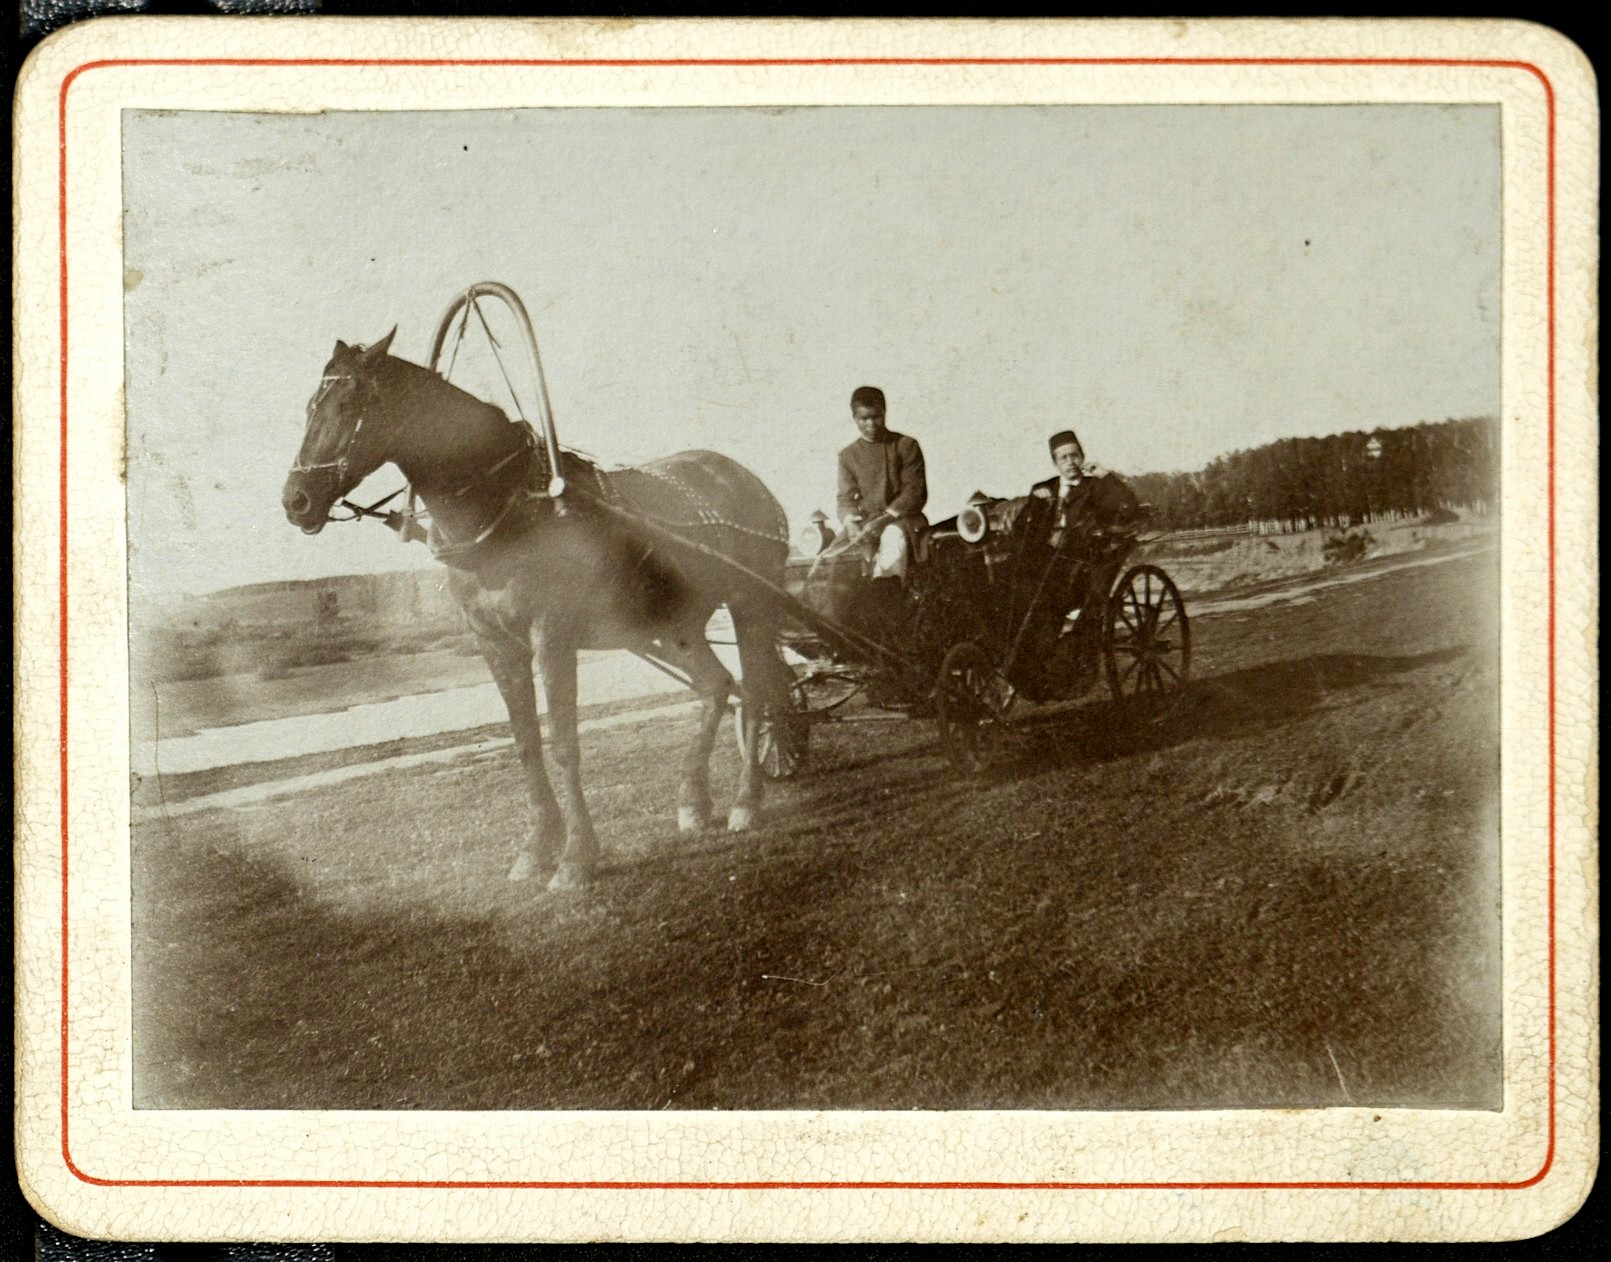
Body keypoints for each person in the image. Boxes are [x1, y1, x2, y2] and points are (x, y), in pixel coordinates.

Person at [835, 386, 927, 582]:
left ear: (884, 412)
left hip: (904, 521)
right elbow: (845, 499)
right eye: (864, 418)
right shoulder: (847, 456)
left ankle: (887, 593)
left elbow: (914, 492)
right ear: (854, 418)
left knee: (892, 540)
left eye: (876, 417)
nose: (871, 424)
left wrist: (884, 520)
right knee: (833, 559)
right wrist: (851, 523)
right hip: (866, 524)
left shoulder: (905, 445)